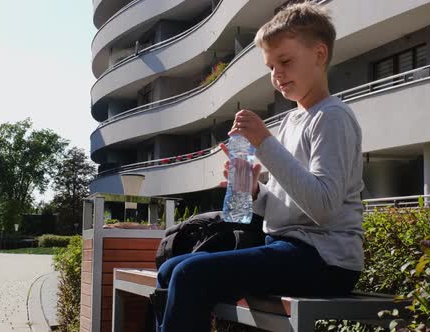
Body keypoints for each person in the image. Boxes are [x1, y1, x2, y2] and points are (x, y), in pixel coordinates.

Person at [155, 2, 365, 331]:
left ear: (319, 54)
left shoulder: (332, 117)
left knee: (188, 275)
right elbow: (291, 205)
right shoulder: (294, 120)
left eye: (285, 61)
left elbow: (323, 208)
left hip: (325, 260)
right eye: (270, 66)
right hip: (286, 250)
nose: (276, 74)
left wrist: (265, 144)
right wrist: (254, 191)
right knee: (170, 270)